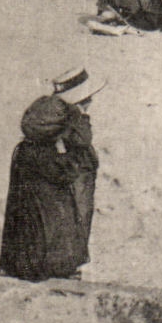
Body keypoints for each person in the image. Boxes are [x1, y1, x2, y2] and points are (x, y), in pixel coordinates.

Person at [0, 96, 92, 282]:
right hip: (47, 221)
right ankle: (54, 269)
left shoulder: (25, 149)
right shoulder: (46, 152)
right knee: (52, 232)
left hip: (29, 219)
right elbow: (65, 171)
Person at [48, 68, 103, 269]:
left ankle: (63, 260)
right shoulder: (75, 115)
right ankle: (71, 262)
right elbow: (83, 140)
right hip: (78, 169)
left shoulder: (58, 113)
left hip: (64, 167)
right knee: (80, 213)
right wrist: (85, 118)